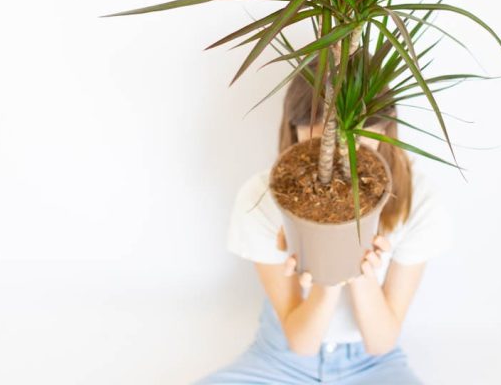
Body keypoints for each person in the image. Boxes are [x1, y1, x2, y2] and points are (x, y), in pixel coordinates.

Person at [191, 73, 454, 385]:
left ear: (385, 126)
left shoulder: (418, 198)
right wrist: (324, 271)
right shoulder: (260, 197)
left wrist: (359, 267)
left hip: (372, 364)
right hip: (279, 356)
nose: (339, 141)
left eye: (357, 133)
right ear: (294, 127)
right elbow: (301, 343)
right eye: (319, 130)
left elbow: (381, 343)